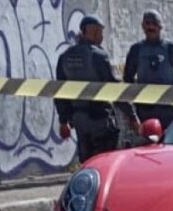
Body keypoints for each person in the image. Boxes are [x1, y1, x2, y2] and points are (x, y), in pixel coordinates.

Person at [56, 15, 141, 163]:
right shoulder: (98, 56)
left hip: (79, 119)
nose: (102, 36)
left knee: (86, 162)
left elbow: (60, 92)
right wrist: (132, 116)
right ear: (94, 31)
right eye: (101, 32)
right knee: (104, 161)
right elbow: (115, 89)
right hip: (100, 119)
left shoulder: (65, 57)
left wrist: (64, 121)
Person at [123, 10, 173, 128]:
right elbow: (127, 79)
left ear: (160, 26)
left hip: (168, 110)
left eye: (154, 23)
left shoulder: (171, 48)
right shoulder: (136, 49)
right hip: (145, 110)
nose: (150, 26)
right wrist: (130, 112)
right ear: (143, 26)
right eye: (147, 23)